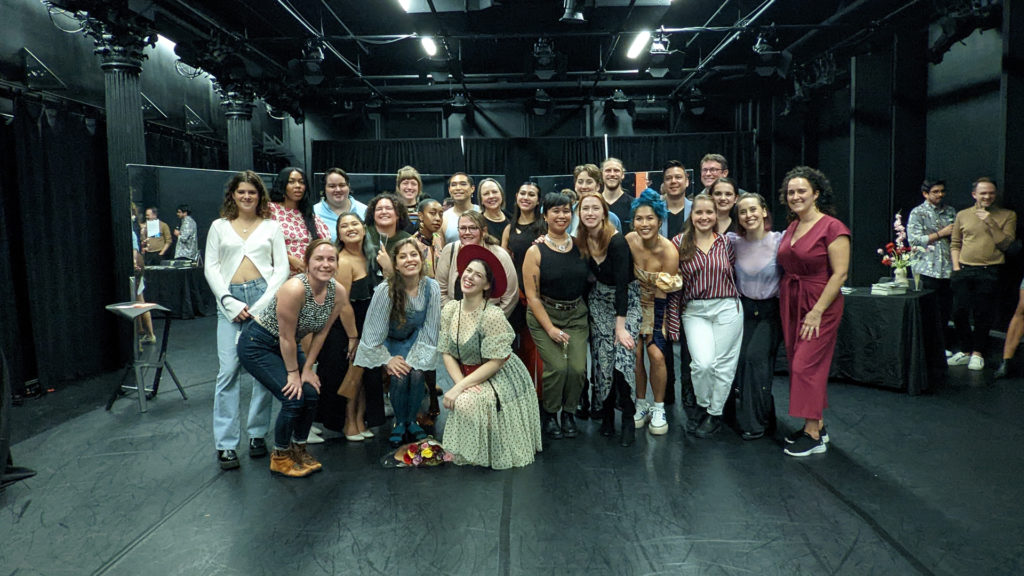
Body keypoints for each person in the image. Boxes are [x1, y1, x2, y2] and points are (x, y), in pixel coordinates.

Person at [238, 239, 357, 477]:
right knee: (293, 397)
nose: (325, 264)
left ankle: (299, 449)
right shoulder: (294, 289)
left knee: (311, 393)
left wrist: (308, 369)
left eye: (331, 259)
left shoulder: (338, 292)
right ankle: (280, 456)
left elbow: (321, 332)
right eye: (319, 259)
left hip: (288, 344)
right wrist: (294, 373)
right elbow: (286, 337)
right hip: (259, 344)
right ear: (306, 263)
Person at [204, 170, 289, 470]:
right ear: (233, 195)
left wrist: (262, 306)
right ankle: (226, 444)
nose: (247, 196)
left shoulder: (271, 227)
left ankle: (256, 434)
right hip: (229, 302)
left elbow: (281, 269)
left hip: (263, 301)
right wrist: (228, 302)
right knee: (227, 372)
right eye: (241, 192)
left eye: (252, 192)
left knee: (263, 373)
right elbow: (211, 268)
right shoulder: (218, 227)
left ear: (259, 196)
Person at [439, 244, 543, 468]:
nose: (469, 277)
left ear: (486, 285)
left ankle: (490, 445)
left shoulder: (492, 315)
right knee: (463, 398)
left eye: (478, 275)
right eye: (468, 271)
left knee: (465, 402)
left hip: (499, 374)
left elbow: (496, 361)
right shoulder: (450, 310)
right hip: (468, 376)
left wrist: (460, 389)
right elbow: (446, 351)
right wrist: (461, 384)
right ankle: (476, 443)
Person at [776, 166, 850, 457]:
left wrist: (818, 311)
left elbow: (841, 274)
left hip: (820, 301)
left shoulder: (833, 227)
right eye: (791, 192)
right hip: (792, 299)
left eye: (801, 191)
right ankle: (816, 423)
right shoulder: (793, 225)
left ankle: (813, 435)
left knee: (805, 365)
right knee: (799, 360)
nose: (795, 196)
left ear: (816, 193)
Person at [668, 193, 742, 439]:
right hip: (695, 310)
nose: (704, 217)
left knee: (723, 366)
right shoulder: (678, 243)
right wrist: (673, 322)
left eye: (709, 212)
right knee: (702, 364)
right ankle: (702, 404)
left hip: (727, 308)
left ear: (716, 215)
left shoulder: (727, 243)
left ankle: (714, 413)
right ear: (692, 214)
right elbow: (674, 286)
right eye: (699, 212)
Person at [355, 237, 441, 446]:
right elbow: (374, 331)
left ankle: (412, 420)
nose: (409, 260)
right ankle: (400, 422)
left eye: (413, 255)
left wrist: (417, 357)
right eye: (403, 256)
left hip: (417, 340)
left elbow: (430, 328)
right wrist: (388, 359)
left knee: (418, 373)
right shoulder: (386, 290)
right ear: (395, 264)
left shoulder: (432, 287)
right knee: (400, 376)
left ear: (421, 260)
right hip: (389, 342)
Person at [522, 192, 590, 440]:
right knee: (558, 368)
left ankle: (569, 413)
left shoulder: (581, 245)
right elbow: (533, 297)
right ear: (545, 215)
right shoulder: (536, 252)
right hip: (544, 316)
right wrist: (550, 328)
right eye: (555, 211)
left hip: (576, 316)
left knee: (577, 369)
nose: (561, 216)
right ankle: (550, 414)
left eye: (566, 211)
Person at [576, 192, 641, 446]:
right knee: (603, 361)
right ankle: (605, 416)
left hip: (625, 303)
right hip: (599, 301)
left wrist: (620, 327)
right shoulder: (581, 240)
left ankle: (627, 417)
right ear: (579, 214)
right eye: (585, 209)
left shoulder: (617, 242)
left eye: (595, 208)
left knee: (623, 357)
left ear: (604, 212)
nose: (590, 213)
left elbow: (623, 285)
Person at [726, 193, 783, 440]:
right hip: (744, 310)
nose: (748, 215)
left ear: (763, 211)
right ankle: (763, 415)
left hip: (771, 311)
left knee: (754, 359)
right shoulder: (733, 242)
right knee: (743, 363)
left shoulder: (780, 241)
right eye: (742, 211)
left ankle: (756, 423)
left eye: (753, 210)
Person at [315, 213, 377, 438]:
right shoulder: (342, 260)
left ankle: (360, 419)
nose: (350, 228)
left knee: (364, 376)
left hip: (368, 326)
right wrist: (353, 336)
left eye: (354, 224)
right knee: (350, 375)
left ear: (363, 227)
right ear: (338, 234)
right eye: (344, 226)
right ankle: (348, 422)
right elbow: (342, 304)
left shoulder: (370, 255)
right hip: (345, 328)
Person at [626, 189, 682, 436]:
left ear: (660, 221)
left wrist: (654, 331)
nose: (644, 223)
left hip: (659, 307)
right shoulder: (628, 241)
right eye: (639, 218)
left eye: (650, 218)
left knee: (656, 353)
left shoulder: (668, 251)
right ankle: (640, 403)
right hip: (631, 304)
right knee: (635, 354)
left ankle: (659, 407)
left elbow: (664, 295)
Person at [947, 177, 1017, 371]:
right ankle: (965, 350)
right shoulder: (962, 214)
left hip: (990, 270)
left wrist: (990, 222)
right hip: (964, 269)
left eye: (991, 193)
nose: (987, 196)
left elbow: (1007, 245)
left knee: (983, 313)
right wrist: (956, 268)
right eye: (983, 193)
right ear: (974, 195)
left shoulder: (1007, 215)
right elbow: (955, 243)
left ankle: (978, 353)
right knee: (959, 312)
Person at [501, 181, 546, 392]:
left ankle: (538, 397)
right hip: (514, 297)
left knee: (534, 348)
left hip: (537, 296)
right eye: (523, 193)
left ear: (538, 200)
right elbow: (503, 263)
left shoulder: (544, 227)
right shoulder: (509, 229)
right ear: (516, 197)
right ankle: (517, 392)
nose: (526, 197)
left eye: (531, 194)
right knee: (513, 347)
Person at [435, 210, 518, 317]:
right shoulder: (449, 251)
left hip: (489, 322)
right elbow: (440, 291)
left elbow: (510, 297)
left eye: (473, 228)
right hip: (455, 320)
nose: (467, 232)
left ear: (484, 231)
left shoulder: (500, 255)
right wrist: (455, 317)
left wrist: (489, 321)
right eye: (463, 228)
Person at [907, 179, 955, 355]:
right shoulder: (918, 213)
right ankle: (926, 348)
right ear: (925, 194)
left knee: (944, 310)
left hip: (948, 268)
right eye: (935, 191)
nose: (940, 195)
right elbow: (914, 240)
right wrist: (940, 234)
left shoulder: (950, 211)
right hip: (927, 267)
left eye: (942, 191)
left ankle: (941, 346)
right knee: (927, 310)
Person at [660, 160, 694, 408]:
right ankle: (667, 394)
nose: (674, 181)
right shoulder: (655, 210)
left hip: (692, 287)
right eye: (669, 177)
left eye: (678, 177)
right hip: (660, 287)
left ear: (687, 181)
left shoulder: (697, 210)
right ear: (664, 183)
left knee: (690, 344)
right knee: (663, 343)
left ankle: (690, 395)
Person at [269, 166, 329, 275]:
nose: (298, 186)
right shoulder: (270, 210)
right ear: (283, 185)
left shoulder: (309, 215)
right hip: (279, 277)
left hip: (310, 277)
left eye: (301, 182)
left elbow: (325, 243)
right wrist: (289, 259)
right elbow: (259, 245)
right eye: (291, 182)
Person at [363, 193, 413, 285]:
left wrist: (388, 267)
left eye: (389, 208)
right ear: (373, 214)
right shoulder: (363, 234)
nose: (384, 212)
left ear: (398, 214)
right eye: (379, 209)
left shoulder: (408, 240)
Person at [314, 167, 367, 242]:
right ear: (324, 189)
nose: (338, 190)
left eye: (342, 185)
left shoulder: (365, 210)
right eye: (332, 186)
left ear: (348, 186)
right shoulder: (314, 213)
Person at [569, 164, 621, 235]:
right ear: (575, 185)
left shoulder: (612, 218)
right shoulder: (567, 215)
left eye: (589, 182)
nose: (584, 186)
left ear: (597, 186)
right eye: (580, 182)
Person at [441, 173, 479, 244]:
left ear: (472, 189)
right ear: (449, 190)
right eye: (453, 185)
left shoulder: (482, 213)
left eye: (463, 184)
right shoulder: (443, 218)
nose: (458, 188)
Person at [415, 198, 445, 279]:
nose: (438, 218)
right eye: (432, 213)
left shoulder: (439, 239)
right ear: (421, 216)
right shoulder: (411, 244)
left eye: (441, 214)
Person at [602, 157, 634, 230]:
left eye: (616, 171)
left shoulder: (633, 204)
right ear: (602, 174)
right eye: (608, 170)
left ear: (623, 175)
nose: (612, 174)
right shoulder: (595, 203)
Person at [396, 165, 424, 234]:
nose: (409, 187)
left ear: (419, 187)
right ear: (398, 187)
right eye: (405, 183)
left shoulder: (425, 210)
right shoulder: (393, 210)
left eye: (413, 184)